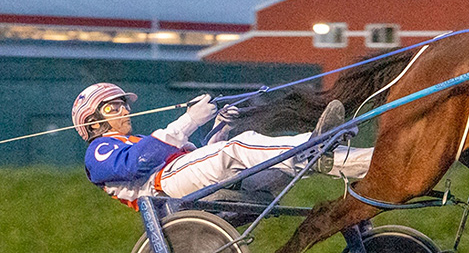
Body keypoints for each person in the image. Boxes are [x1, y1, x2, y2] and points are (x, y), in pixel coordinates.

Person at [73, 82, 372, 209]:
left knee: (281, 166)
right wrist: (187, 121)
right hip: (165, 190)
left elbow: (201, 158)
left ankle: (369, 160)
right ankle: (314, 143)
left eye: (123, 105)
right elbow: (137, 163)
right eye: (113, 109)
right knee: (239, 149)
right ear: (92, 123)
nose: (124, 111)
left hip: (183, 180)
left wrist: (221, 126)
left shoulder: (135, 140)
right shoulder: (98, 151)